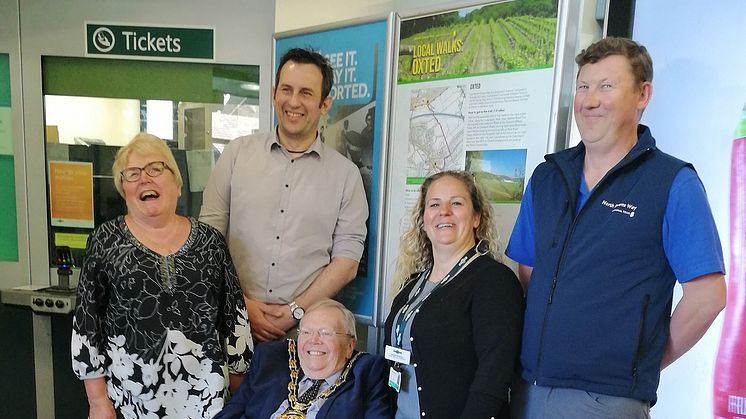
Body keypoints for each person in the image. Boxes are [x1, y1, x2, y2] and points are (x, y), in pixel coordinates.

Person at [506, 37, 726, 419]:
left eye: (606, 87)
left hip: (606, 401)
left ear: (643, 95)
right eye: (583, 87)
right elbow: (529, 270)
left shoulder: (672, 182)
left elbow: (708, 294)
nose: (590, 100)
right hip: (528, 390)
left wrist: (640, 364)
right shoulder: (547, 178)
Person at [71, 133, 253, 419]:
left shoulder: (211, 243)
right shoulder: (105, 241)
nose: (144, 179)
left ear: (176, 183)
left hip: (207, 401)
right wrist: (97, 402)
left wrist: (239, 399)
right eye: (132, 174)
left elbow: (234, 320)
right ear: (123, 189)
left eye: (155, 168)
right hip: (131, 402)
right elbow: (86, 326)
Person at [200, 47, 368, 343]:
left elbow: (347, 261)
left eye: (306, 93)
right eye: (287, 89)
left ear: (324, 104)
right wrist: (244, 305)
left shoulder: (345, 176)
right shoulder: (237, 154)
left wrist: (296, 310)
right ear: (274, 92)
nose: (293, 101)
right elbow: (207, 240)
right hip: (231, 325)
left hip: (304, 338)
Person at [384, 170, 524, 419]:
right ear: (424, 219)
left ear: (476, 218)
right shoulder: (412, 285)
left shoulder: (493, 281)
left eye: (456, 203)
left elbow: (493, 378)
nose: (444, 211)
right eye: (434, 204)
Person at [215, 299, 392, 419]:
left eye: (325, 333)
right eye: (306, 332)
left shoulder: (367, 373)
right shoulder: (271, 359)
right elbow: (232, 412)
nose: (314, 340)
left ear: (349, 346)